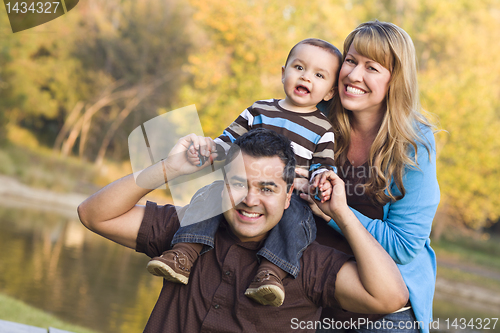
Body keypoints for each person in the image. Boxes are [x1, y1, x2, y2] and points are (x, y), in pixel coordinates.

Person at [77, 128, 408, 333]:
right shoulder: (189, 230)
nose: (250, 200)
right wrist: (169, 168)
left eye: (267, 188)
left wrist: (342, 213)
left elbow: (390, 296)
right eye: (238, 184)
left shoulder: (307, 264)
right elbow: (94, 214)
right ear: (223, 185)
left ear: (288, 193)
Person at [146, 38, 343, 307]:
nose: (306, 77)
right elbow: (227, 141)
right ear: (283, 72)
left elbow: (323, 167)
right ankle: (183, 253)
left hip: (289, 196)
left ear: (330, 92)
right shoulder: (259, 110)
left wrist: (320, 182)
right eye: (299, 68)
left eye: (319, 75)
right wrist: (206, 150)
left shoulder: (323, 129)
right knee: (210, 194)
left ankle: (271, 273)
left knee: (297, 220)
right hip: (242, 187)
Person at [302, 21, 440, 333]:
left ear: (395, 80)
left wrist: (333, 213)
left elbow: (404, 246)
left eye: (371, 67)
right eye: (350, 61)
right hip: (315, 282)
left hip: (382, 306)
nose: (354, 75)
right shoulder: (315, 116)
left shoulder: (413, 145)